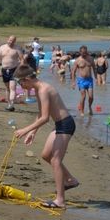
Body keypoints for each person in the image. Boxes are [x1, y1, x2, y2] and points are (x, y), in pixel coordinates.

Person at [13, 64, 79, 210]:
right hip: (59, 125)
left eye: (20, 82)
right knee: (46, 155)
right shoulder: (38, 89)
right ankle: (70, 180)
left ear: (28, 79)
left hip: (66, 125)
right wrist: (32, 132)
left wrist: (25, 130)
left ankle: (60, 200)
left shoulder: (43, 89)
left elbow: (45, 118)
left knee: (55, 160)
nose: (20, 85)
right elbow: (41, 113)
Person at [0, 35, 23, 111]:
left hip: (14, 70)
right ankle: (9, 104)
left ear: (15, 41)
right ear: (8, 39)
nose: (11, 42)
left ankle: (11, 105)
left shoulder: (17, 48)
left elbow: (22, 60)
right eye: (10, 40)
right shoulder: (2, 47)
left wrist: (19, 69)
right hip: (4, 70)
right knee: (7, 88)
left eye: (13, 41)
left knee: (12, 88)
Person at [70, 45, 96, 116]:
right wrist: (73, 82)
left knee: (91, 96)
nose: (84, 54)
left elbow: (94, 68)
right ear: (80, 52)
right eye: (83, 53)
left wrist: (96, 77)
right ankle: (82, 111)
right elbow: (73, 72)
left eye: (85, 52)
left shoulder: (90, 59)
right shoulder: (77, 60)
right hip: (81, 80)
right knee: (83, 96)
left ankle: (90, 107)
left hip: (89, 80)